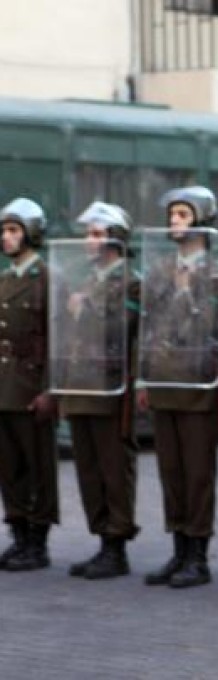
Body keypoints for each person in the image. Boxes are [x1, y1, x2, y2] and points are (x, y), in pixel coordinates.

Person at [137, 186, 218, 589]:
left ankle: (198, 555)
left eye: (183, 215)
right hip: (163, 379)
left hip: (195, 384)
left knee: (196, 473)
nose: (174, 221)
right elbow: (149, 326)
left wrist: (187, 289)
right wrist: (144, 376)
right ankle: (178, 548)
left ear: (201, 221)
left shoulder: (214, 273)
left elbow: (202, 327)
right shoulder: (158, 271)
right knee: (170, 470)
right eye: (172, 214)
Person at [58, 201, 140, 580]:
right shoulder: (90, 279)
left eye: (95, 233)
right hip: (81, 385)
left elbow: (120, 329)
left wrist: (85, 307)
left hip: (109, 387)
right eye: (88, 233)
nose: (88, 241)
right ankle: (101, 538)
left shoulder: (129, 280)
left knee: (112, 467)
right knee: (89, 468)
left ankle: (116, 544)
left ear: (114, 237)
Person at [0, 198, 57, 571]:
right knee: (9, 466)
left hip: (32, 385)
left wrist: (50, 388)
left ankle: (38, 542)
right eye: (3, 231)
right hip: (5, 384)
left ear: (32, 233)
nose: (6, 238)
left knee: (38, 465)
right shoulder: (5, 279)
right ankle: (18, 534)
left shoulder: (49, 279)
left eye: (14, 230)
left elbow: (57, 337)